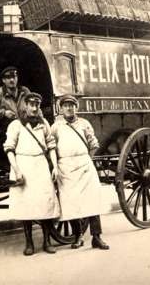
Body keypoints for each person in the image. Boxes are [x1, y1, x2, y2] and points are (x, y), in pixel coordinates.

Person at [3, 92, 60, 255]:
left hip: (41, 166)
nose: (35, 108)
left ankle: (47, 242)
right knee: (26, 206)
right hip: (24, 166)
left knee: (46, 203)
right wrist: (17, 170)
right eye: (32, 105)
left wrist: (55, 167)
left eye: (37, 105)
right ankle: (29, 244)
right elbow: (9, 149)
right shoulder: (16, 125)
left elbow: (51, 147)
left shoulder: (44, 124)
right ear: (25, 106)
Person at [51, 94, 109, 250]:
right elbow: (52, 147)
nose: (69, 108)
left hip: (84, 164)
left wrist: (87, 160)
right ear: (61, 108)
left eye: (72, 105)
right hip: (66, 167)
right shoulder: (56, 127)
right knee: (71, 202)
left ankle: (97, 237)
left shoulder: (84, 123)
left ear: (76, 107)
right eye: (65, 105)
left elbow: (94, 144)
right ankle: (78, 237)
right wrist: (57, 166)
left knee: (92, 200)